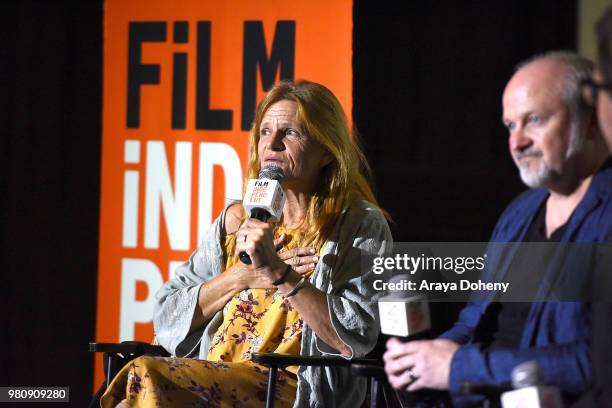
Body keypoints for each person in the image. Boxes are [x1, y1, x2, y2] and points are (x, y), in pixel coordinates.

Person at [100, 80, 392, 407]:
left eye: (291, 133)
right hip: (214, 373)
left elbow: (356, 335)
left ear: (326, 151)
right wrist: (243, 275)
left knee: (144, 377)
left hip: (286, 389)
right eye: (265, 132)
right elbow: (167, 314)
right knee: (131, 396)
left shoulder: (357, 224)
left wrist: (280, 274)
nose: (274, 144)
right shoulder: (237, 219)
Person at [384, 51, 612, 407]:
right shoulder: (520, 212)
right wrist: (425, 358)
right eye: (510, 126)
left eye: (533, 120)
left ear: (590, 117)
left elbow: (596, 364)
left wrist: (459, 366)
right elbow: (475, 319)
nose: (517, 142)